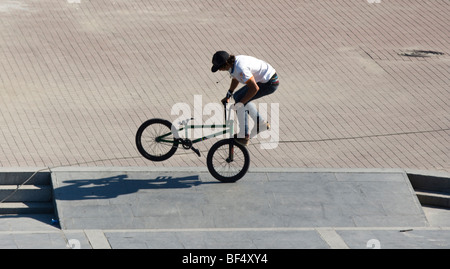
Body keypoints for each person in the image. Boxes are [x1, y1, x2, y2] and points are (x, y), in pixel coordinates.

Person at [211, 51, 279, 146]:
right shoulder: (234, 63)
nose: (219, 70)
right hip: (264, 78)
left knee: (240, 100)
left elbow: (255, 88)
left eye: (219, 68)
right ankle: (260, 123)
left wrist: (240, 104)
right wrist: (229, 94)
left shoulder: (240, 68)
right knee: (238, 97)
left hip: (270, 83)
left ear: (225, 65)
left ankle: (244, 136)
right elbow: (236, 78)